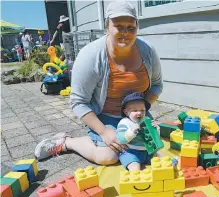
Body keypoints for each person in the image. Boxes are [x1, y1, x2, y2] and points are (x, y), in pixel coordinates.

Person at [34, 1, 163, 166]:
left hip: (136, 114)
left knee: (153, 148)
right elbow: (78, 101)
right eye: (118, 26)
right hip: (104, 115)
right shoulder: (91, 55)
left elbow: (157, 85)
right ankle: (66, 142)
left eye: (131, 27)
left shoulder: (148, 51)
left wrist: (141, 111)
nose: (125, 32)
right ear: (107, 26)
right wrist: (104, 132)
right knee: (108, 156)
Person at [116, 92, 161, 170]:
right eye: (135, 110)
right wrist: (132, 132)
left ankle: (171, 166)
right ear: (126, 112)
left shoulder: (147, 120)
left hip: (148, 152)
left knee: (161, 160)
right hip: (131, 152)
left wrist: (156, 129)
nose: (139, 113)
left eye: (142, 110)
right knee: (134, 166)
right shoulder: (125, 123)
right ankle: (136, 174)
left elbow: (155, 138)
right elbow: (121, 139)